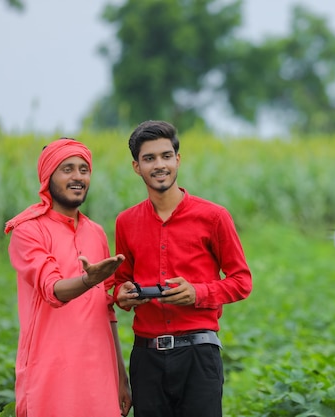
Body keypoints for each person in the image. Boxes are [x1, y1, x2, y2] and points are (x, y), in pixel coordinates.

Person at [114, 120, 253, 417]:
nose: (159, 165)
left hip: (199, 355)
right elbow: (120, 282)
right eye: (149, 158)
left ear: (177, 160)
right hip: (146, 357)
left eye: (166, 156)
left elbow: (242, 281)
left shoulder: (214, 217)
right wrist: (122, 294)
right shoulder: (125, 222)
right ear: (137, 167)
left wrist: (197, 293)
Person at [5, 138, 132, 417]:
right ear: (48, 177)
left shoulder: (96, 232)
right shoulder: (27, 231)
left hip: (99, 374)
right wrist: (88, 281)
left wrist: (120, 374)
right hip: (50, 373)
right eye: (67, 169)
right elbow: (53, 290)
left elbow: (106, 311)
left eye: (84, 169)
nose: (78, 177)